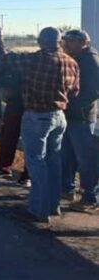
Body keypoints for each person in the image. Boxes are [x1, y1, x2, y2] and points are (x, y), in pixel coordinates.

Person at [0, 25, 79, 222]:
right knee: (53, 162)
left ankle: (39, 209)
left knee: (36, 162)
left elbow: (5, 56)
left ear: (40, 41)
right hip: (59, 116)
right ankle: (54, 206)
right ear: (59, 41)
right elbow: (75, 91)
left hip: (37, 116)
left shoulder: (35, 59)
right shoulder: (72, 62)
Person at [0, 28, 30, 186]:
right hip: (13, 107)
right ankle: (3, 167)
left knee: (31, 141)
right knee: (7, 137)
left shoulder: (12, 65)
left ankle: (27, 175)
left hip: (30, 105)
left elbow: (1, 51)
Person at [60, 29, 99, 212]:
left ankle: (90, 197)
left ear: (83, 42)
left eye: (70, 41)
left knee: (86, 159)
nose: (66, 44)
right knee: (67, 156)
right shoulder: (77, 58)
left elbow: (93, 91)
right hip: (71, 116)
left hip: (81, 118)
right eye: (65, 40)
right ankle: (67, 189)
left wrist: (71, 103)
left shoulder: (90, 61)